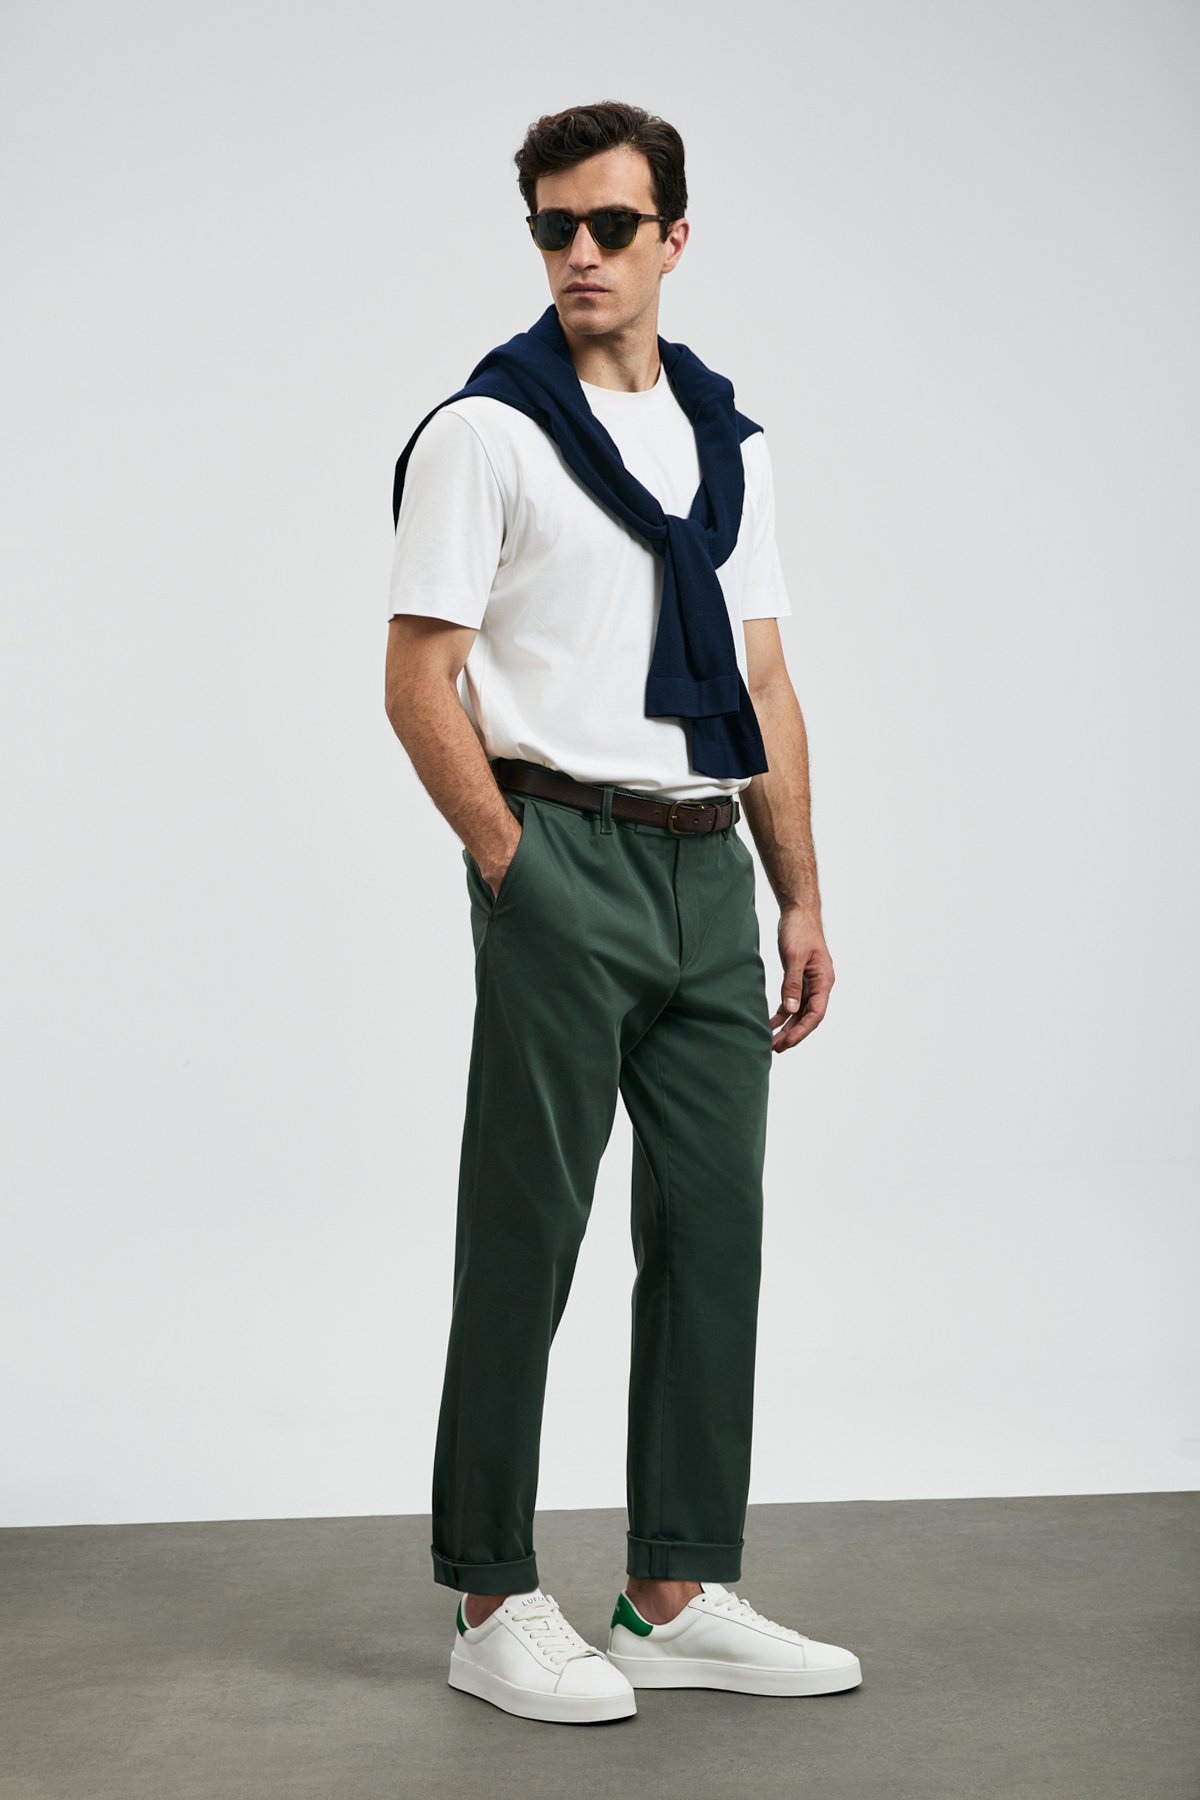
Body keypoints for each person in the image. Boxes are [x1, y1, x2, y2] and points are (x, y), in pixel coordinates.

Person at [384, 99, 861, 1725]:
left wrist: (799, 895)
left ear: (673, 237)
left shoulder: (731, 447)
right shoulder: (486, 432)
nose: (578, 253)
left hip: (706, 862)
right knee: (525, 1234)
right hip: (563, 853)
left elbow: (767, 679)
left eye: (609, 225)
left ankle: (675, 1592)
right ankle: (488, 1596)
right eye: (552, 227)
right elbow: (419, 681)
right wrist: (511, 866)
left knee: (714, 1228)